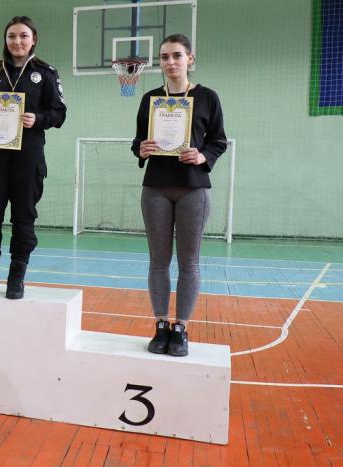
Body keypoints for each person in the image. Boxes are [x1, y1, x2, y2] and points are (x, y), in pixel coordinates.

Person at [131, 34, 227, 356]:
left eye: (177, 55)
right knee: (158, 262)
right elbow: (138, 141)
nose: (170, 62)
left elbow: (218, 141)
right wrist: (141, 149)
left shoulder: (208, 97)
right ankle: (160, 325)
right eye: (164, 57)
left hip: (193, 190)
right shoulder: (150, 99)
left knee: (189, 264)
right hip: (155, 188)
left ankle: (181, 328)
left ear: (190, 59)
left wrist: (202, 156)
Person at [0, 16, 67, 299]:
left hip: (28, 158)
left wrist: (39, 119)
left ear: (34, 40)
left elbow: (59, 113)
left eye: (23, 36)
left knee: (24, 217)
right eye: (12, 36)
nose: (17, 41)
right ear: (5, 39)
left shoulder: (45, 73)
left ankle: (16, 277)